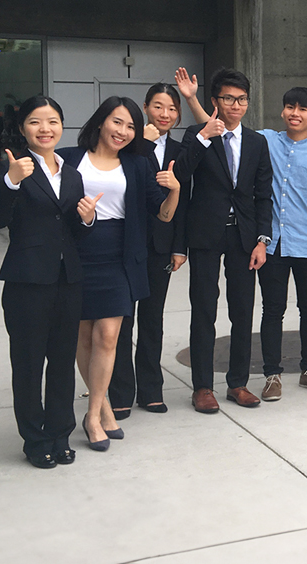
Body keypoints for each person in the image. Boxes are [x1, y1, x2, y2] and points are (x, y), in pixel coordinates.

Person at [182, 75, 307, 401]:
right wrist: (192, 101)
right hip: (270, 243)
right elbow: (218, 130)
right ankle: (269, 375)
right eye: (290, 106)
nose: (295, 113)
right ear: (282, 111)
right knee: (270, 310)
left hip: (306, 241)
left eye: (303, 109)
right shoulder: (265, 139)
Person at [58, 97, 180, 450]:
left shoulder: (138, 164)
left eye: (130, 126)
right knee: (84, 336)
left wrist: (175, 190)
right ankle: (105, 407)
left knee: (108, 336)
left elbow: (164, 214)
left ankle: (92, 416)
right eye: (117, 122)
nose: (123, 132)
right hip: (79, 251)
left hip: (119, 254)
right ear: (100, 122)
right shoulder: (69, 158)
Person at [0, 96, 99, 468]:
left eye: (52, 121)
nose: (45, 129)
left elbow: (71, 231)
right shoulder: (14, 167)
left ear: (61, 125)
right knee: (28, 362)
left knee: (62, 361)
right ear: (23, 128)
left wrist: (87, 219)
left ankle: (60, 432)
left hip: (67, 281)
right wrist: (11, 182)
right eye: (36, 122)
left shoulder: (72, 173)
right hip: (27, 282)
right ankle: (35, 440)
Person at [173, 68, 273, 413]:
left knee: (242, 310)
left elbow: (264, 196)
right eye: (228, 99)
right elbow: (180, 176)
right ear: (215, 101)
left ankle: (238, 383)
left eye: (242, 99)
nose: (236, 105)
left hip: (244, 237)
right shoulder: (196, 134)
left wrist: (262, 240)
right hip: (205, 234)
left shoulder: (258, 142)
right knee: (204, 309)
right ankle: (202, 387)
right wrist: (203, 138)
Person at [109, 83, 190, 419]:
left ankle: (151, 389)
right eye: (158, 106)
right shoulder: (128, 145)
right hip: (125, 244)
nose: (165, 114)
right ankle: (120, 392)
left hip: (160, 247)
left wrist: (178, 247)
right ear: (145, 108)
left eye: (172, 109)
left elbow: (182, 201)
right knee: (122, 321)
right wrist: (140, 139)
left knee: (152, 319)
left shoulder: (179, 149)